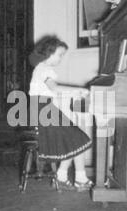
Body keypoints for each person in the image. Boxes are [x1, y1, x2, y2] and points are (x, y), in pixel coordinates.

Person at [28, 35, 93, 192]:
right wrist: (79, 90)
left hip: (43, 111)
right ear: (48, 53)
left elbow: (54, 92)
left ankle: (64, 177)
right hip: (44, 113)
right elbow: (54, 88)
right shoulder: (44, 69)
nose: (61, 58)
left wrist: (73, 94)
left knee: (75, 139)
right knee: (78, 138)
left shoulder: (41, 69)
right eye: (59, 55)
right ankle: (79, 178)